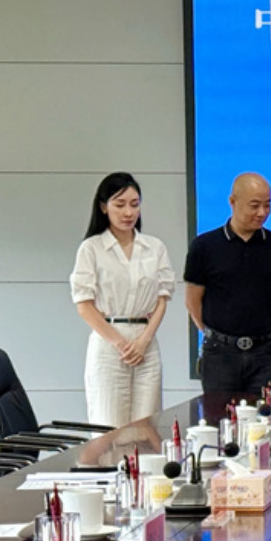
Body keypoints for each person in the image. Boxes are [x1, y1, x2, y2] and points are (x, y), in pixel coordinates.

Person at [69, 173, 174, 427]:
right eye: (120, 204)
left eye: (134, 204)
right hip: (109, 343)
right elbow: (84, 305)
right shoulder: (91, 248)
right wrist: (120, 343)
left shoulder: (155, 247)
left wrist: (144, 340)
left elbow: (162, 298)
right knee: (108, 426)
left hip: (146, 342)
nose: (128, 212)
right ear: (104, 207)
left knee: (147, 426)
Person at [184, 172, 271, 395]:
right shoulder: (204, 246)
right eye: (254, 206)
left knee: (266, 413)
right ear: (233, 202)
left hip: (267, 352)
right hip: (219, 353)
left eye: (267, 205)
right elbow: (193, 300)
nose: (262, 212)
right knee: (219, 413)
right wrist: (216, 333)